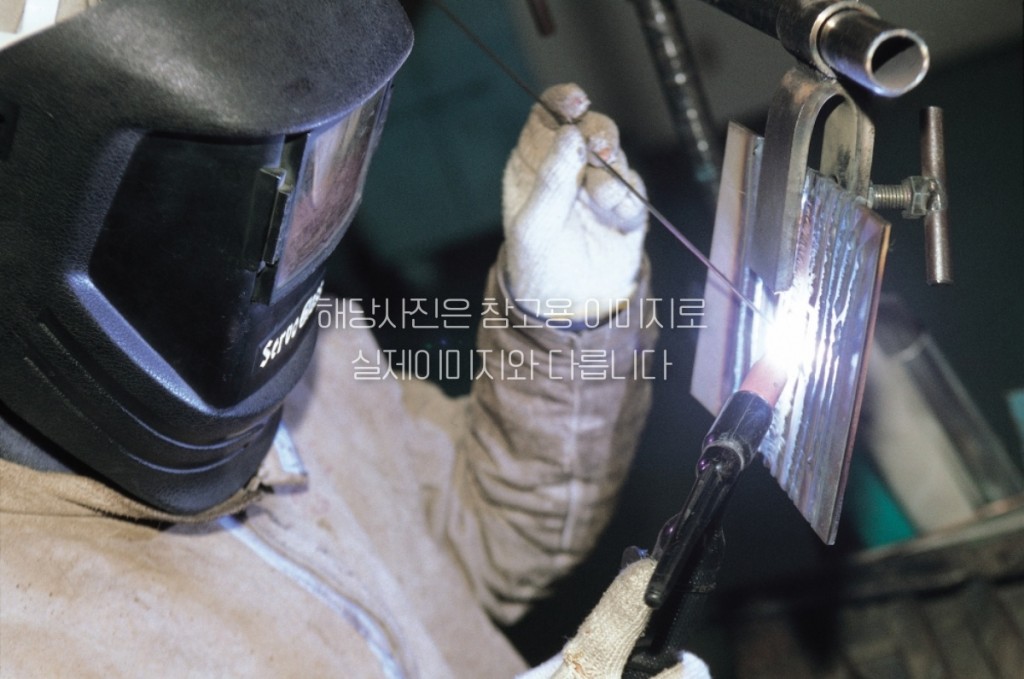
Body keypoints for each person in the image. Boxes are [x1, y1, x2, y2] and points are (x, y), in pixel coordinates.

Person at [0, 1, 709, 676]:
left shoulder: (324, 361)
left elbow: (487, 540)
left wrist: (561, 326)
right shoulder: (26, 628)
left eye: (331, 157)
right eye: (274, 185)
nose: (311, 215)